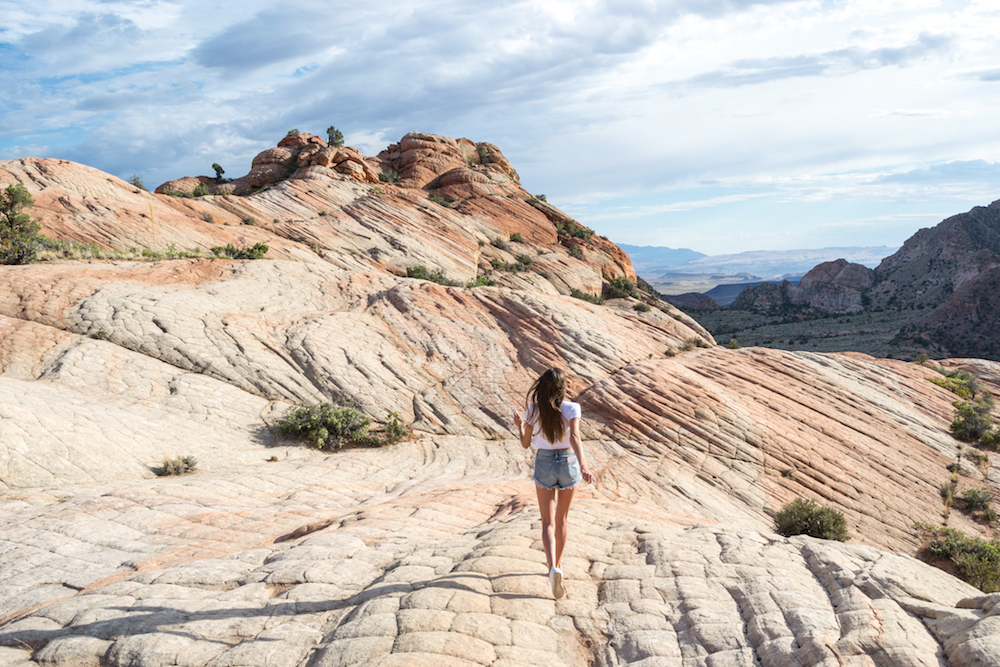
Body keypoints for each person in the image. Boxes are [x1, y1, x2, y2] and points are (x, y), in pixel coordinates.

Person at [513, 367, 595, 599]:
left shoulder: (533, 409)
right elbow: (574, 437)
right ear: (562, 388)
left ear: (542, 386)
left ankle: (552, 569)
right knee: (562, 519)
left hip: (545, 462)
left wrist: (519, 426)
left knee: (547, 522)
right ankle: (559, 564)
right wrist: (584, 466)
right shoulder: (572, 408)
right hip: (568, 460)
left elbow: (526, 444)